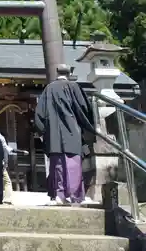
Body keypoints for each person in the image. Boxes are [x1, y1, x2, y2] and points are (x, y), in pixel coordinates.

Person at [34, 64, 95, 206]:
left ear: (57, 73)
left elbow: (39, 115)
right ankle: (75, 196)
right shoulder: (74, 87)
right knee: (73, 163)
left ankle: (58, 196)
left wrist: (44, 132)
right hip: (72, 132)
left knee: (57, 165)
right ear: (69, 73)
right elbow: (84, 108)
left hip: (53, 134)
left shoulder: (48, 89)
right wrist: (87, 128)